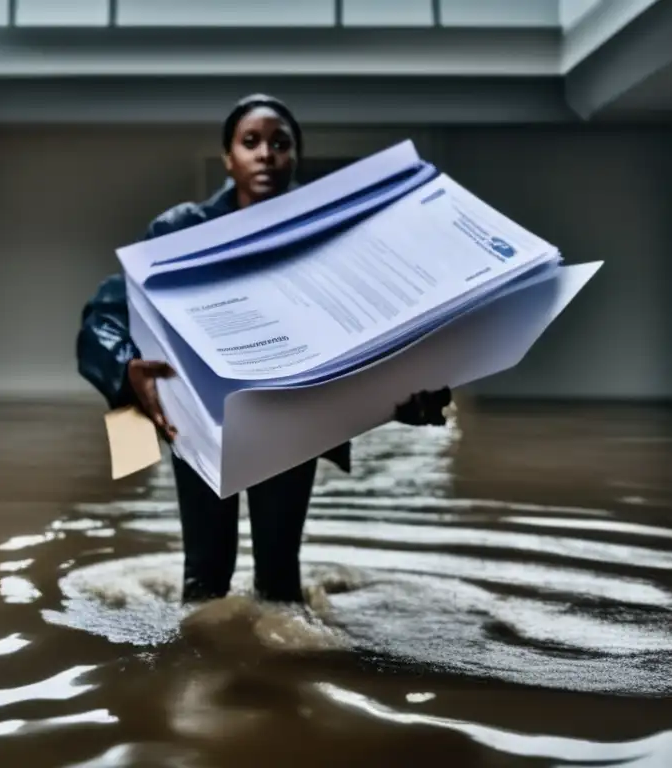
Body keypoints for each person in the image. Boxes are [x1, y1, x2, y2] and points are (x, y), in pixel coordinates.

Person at [77, 93, 451, 604]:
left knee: (281, 583)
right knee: (203, 581)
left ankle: (283, 667)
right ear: (229, 157)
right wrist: (127, 372)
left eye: (280, 143)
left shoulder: (332, 233)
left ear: (295, 157)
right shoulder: (178, 230)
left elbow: (374, 330)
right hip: (201, 421)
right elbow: (104, 315)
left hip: (290, 419)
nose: (266, 154)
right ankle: (197, 664)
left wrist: (407, 389)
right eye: (250, 142)